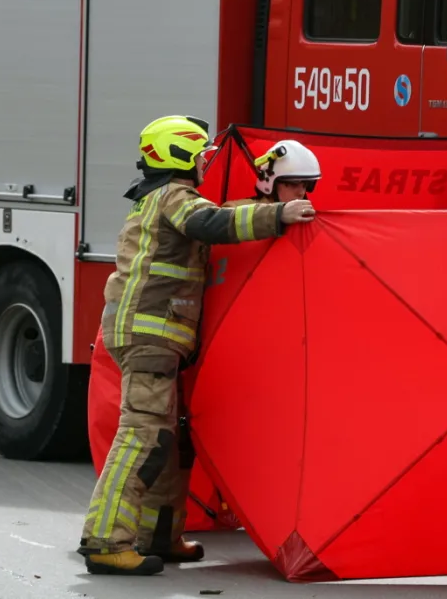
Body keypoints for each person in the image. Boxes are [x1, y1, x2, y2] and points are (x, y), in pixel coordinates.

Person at [79, 116, 316, 576]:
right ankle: (106, 540)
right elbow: (211, 222)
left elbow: (215, 216)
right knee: (142, 437)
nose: (206, 162)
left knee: (169, 441)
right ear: (180, 155)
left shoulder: (159, 198)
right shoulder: (174, 197)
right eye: (201, 155)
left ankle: (160, 537)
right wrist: (277, 215)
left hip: (156, 337)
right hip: (150, 336)